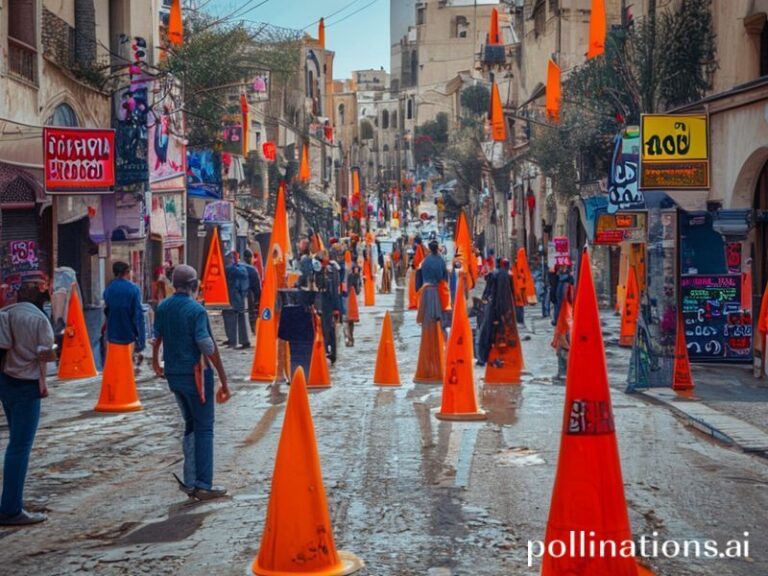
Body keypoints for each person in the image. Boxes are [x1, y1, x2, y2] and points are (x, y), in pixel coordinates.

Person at [152, 265, 230, 500]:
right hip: (196, 376)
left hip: (174, 375)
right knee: (204, 427)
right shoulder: (196, 310)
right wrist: (223, 379)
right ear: (195, 286)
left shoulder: (163, 307)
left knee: (190, 424)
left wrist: (156, 363)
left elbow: (156, 338)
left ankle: (190, 480)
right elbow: (206, 345)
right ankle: (204, 484)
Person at [0, 280, 56, 526]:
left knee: (15, 443)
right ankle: (11, 508)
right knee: (19, 447)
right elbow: (46, 354)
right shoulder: (39, 320)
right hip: (27, 384)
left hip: (5, 382)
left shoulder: (5, 314)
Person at [104, 262, 145, 355]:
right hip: (128, 336)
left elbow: (107, 311)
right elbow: (138, 316)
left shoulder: (108, 290)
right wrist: (141, 341)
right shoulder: (134, 289)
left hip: (112, 336)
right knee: (128, 364)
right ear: (127, 272)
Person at [315, 251, 342, 364]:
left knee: (329, 328)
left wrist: (337, 307)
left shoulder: (332, 269)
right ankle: (326, 350)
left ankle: (330, 352)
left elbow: (335, 289)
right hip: (322, 302)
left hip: (329, 302)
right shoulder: (318, 269)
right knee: (325, 327)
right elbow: (318, 284)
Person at [222, 252, 250, 349]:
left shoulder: (230, 269)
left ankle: (234, 341)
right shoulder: (241, 268)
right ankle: (237, 340)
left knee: (230, 317)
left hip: (234, 298)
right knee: (236, 318)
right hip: (238, 298)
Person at [242, 250, 262, 335]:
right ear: (250, 258)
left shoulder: (238, 266)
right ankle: (253, 330)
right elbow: (256, 285)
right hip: (250, 294)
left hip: (239, 294)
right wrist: (259, 297)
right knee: (251, 314)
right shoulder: (252, 270)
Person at [344, 264, 361, 347]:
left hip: (351, 297)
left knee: (349, 320)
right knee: (348, 320)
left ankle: (349, 338)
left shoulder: (354, 276)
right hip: (350, 297)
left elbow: (357, 290)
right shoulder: (352, 276)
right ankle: (349, 338)